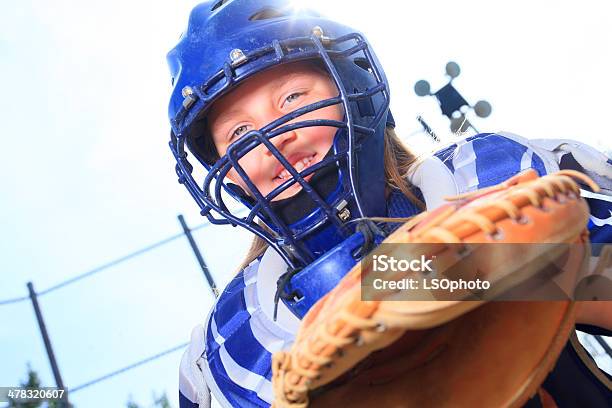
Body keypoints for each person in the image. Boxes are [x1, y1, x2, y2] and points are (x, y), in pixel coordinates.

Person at [166, 1, 612, 407]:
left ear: (353, 88)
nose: (274, 137)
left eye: (291, 97)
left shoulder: (486, 171)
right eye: (240, 135)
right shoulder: (227, 343)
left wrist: (535, 278)